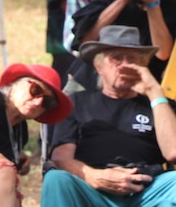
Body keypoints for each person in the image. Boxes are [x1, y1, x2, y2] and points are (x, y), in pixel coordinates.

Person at [40, 25, 176, 206]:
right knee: (56, 179)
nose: (125, 65)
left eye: (132, 59)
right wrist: (95, 177)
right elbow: (61, 158)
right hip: (91, 188)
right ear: (99, 66)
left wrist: (155, 93)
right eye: (117, 58)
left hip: (147, 190)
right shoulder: (76, 103)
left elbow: (173, 153)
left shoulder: (160, 105)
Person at [0, 63, 72, 207]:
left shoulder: (20, 131)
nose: (38, 102)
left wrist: (16, 158)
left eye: (48, 102)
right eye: (35, 90)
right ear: (15, 84)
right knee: (3, 172)